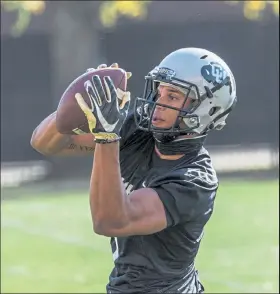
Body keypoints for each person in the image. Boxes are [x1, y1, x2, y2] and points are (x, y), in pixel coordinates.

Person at [31, 47, 237, 293]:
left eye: (172, 97)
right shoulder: (139, 132)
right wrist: (82, 99)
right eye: (159, 91)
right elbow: (45, 143)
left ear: (205, 109)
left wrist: (107, 136)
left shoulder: (195, 181)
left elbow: (111, 221)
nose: (158, 103)